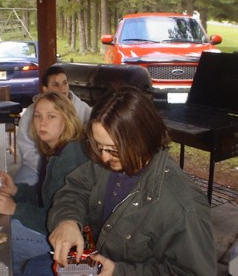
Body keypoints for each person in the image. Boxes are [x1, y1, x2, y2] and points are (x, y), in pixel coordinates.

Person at [46, 86, 216, 275]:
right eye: (99, 146)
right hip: (92, 261)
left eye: (113, 149)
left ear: (143, 138)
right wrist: (68, 220)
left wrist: (120, 272)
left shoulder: (183, 206)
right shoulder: (108, 163)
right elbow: (75, 189)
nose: (103, 157)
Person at [0, 91, 88, 274]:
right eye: (38, 116)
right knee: (4, 225)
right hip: (51, 226)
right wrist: (16, 191)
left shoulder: (70, 158)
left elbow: (58, 219)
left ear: (67, 120)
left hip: (71, 241)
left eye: (51, 116)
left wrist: (15, 209)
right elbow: (46, 195)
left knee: (4, 234)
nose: (42, 122)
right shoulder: (52, 148)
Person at [14, 65, 91, 185]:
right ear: (45, 89)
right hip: (36, 165)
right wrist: (47, 167)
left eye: (64, 83)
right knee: (17, 188)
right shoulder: (32, 111)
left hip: (70, 167)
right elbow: (26, 148)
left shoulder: (84, 109)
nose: (62, 88)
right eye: (55, 85)